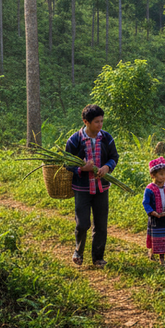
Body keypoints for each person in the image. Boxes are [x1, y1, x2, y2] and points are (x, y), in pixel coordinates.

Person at [65, 104, 118, 267]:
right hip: (82, 189)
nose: (100, 125)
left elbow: (114, 157)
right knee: (83, 223)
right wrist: (81, 168)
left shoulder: (107, 138)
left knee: (101, 224)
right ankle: (78, 251)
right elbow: (67, 162)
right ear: (85, 122)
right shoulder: (75, 140)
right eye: (96, 122)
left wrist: (106, 167)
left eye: (102, 121)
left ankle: (98, 258)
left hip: (102, 188)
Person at [143, 156, 165, 264]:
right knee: (156, 238)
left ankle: (162, 258)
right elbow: (146, 202)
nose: (164, 177)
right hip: (155, 218)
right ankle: (152, 253)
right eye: (161, 174)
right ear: (153, 175)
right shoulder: (149, 189)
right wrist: (151, 212)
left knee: (164, 238)